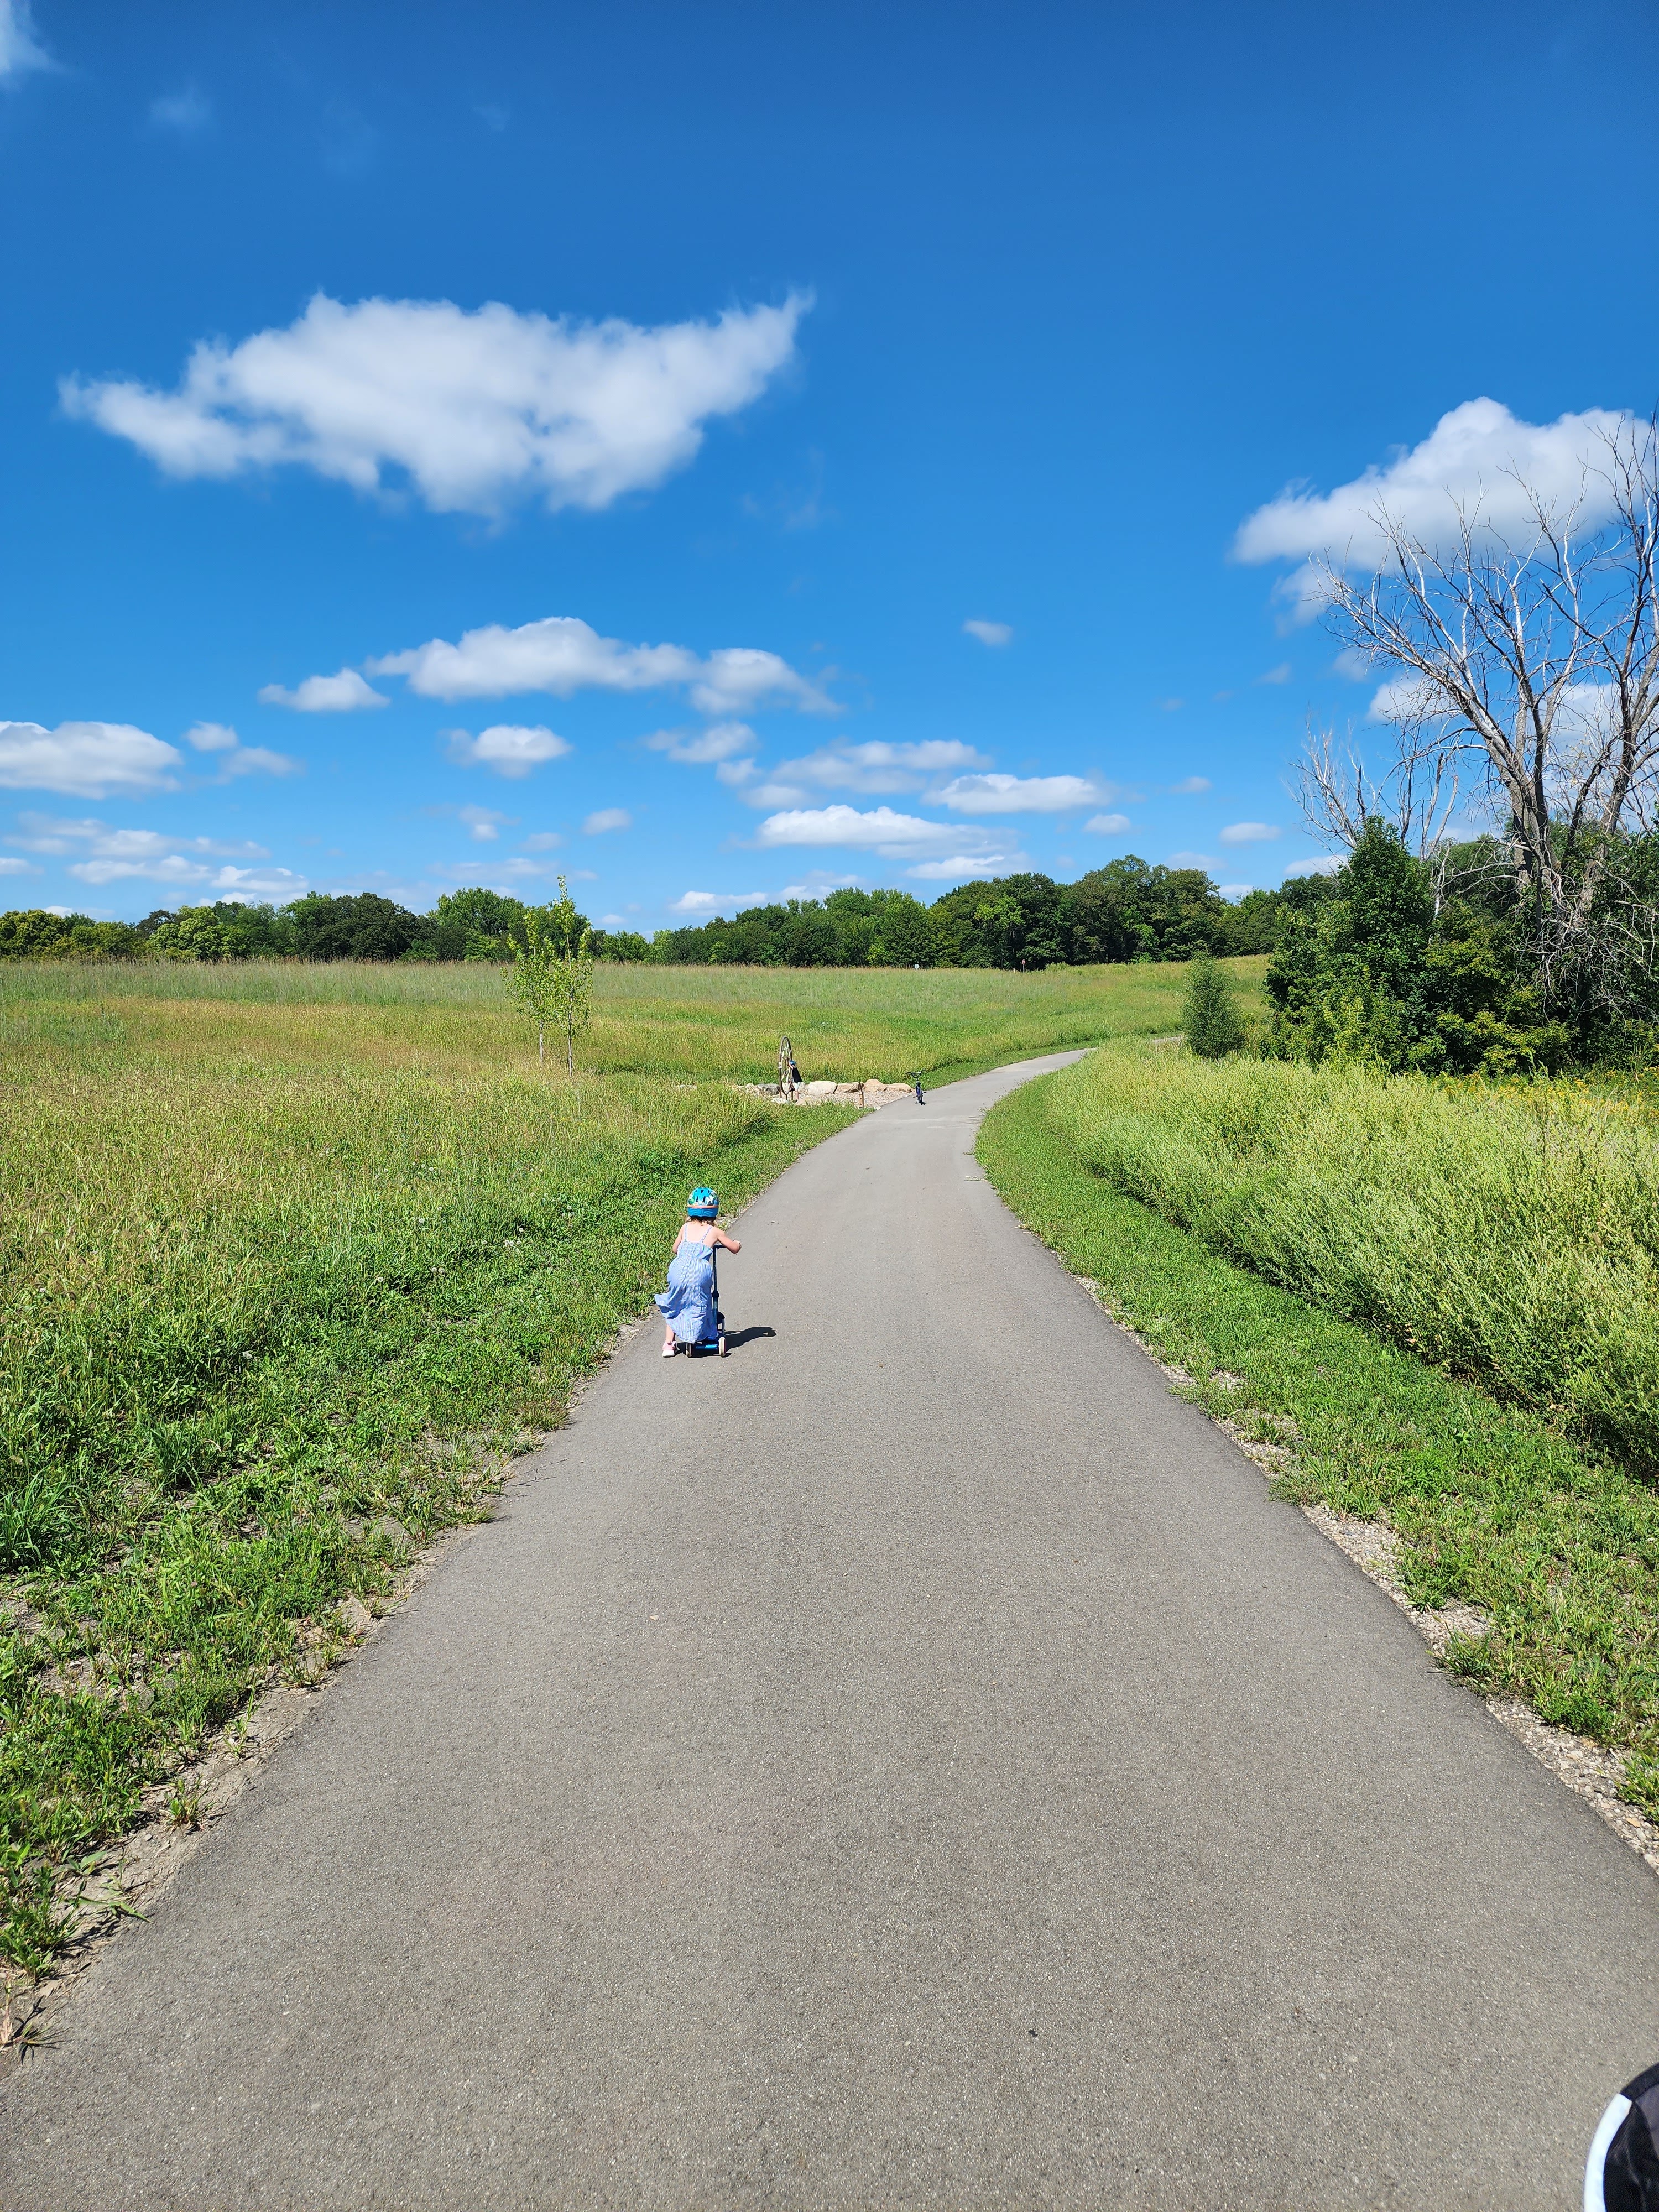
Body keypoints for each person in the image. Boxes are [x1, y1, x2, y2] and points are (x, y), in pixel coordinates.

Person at [655, 1187, 740, 1355]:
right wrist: (737, 1243)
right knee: (700, 1303)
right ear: (714, 1211)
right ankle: (705, 1334)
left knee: (675, 1303)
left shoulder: (685, 1227)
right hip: (699, 1272)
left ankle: (669, 1345)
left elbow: (675, 1249)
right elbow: (734, 1248)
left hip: (677, 1269)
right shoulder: (715, 1231)